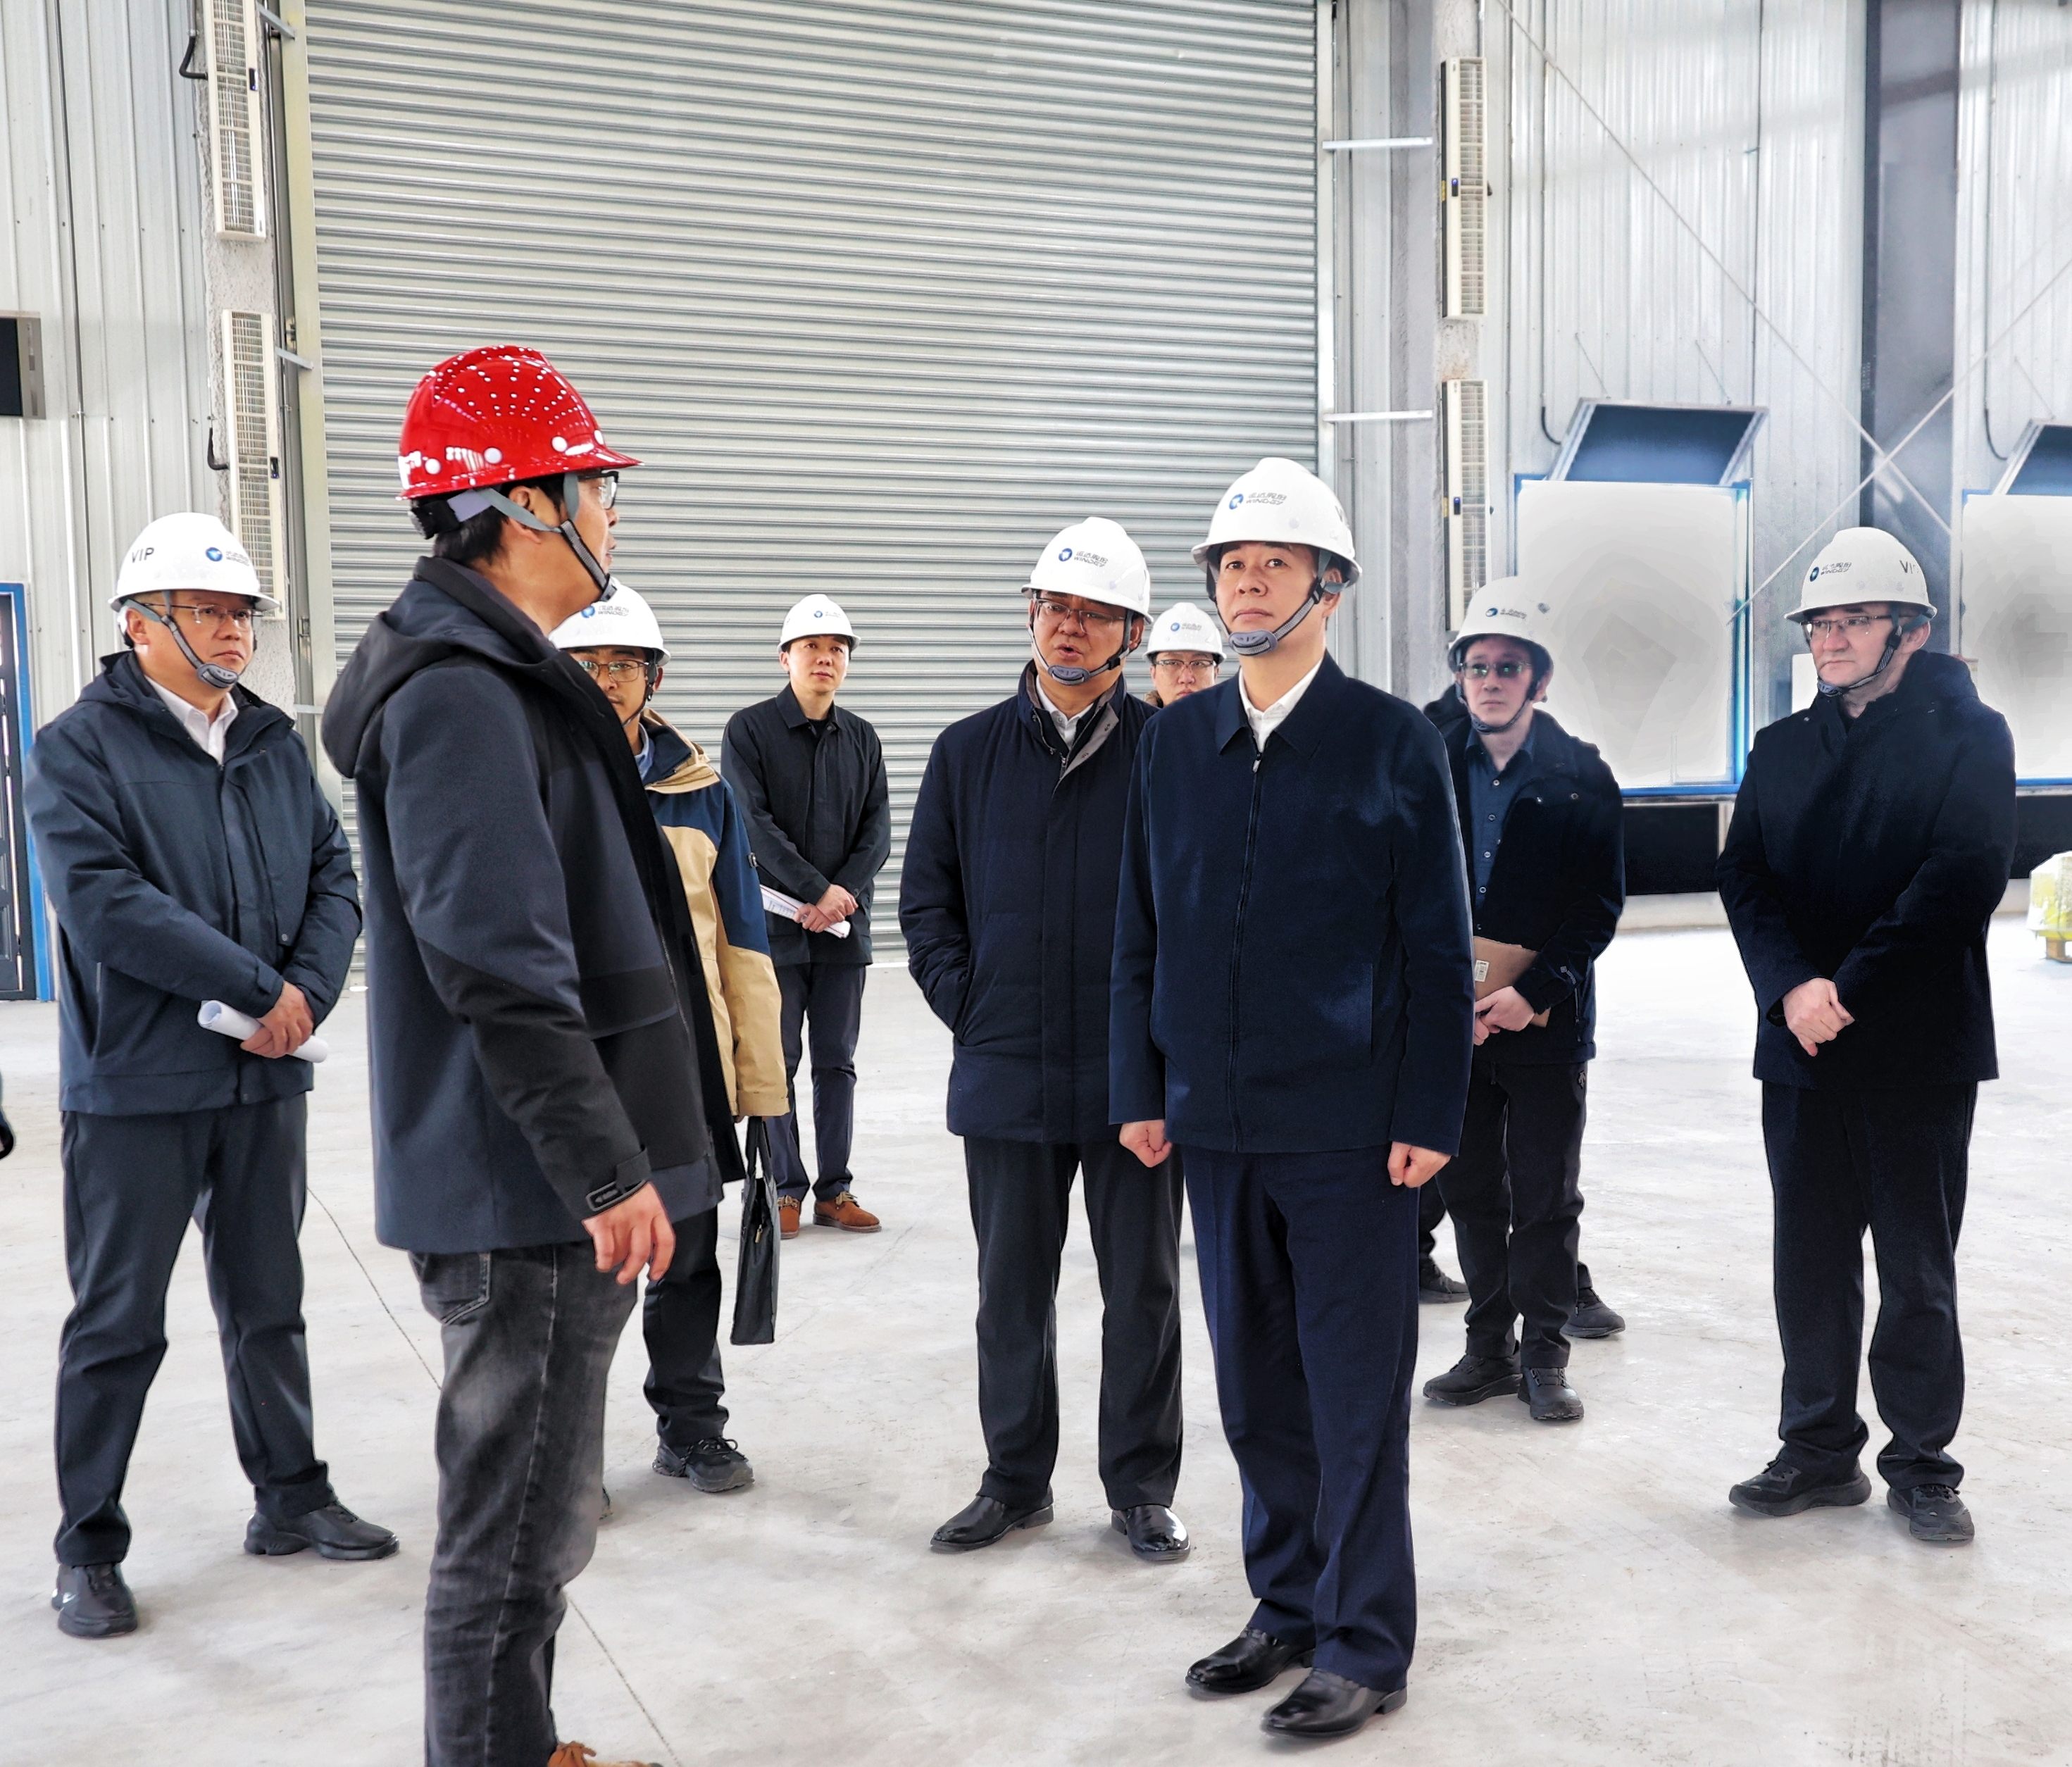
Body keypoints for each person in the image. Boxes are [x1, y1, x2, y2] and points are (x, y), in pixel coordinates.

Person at [323, 345, 723, 1767]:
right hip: (527, 1194)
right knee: (512, 1534)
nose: (611, 511)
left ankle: (520, 1737)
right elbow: (497, 965)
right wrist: (604, 1167)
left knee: (541, 1519)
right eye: (595, 486)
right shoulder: (458, 694)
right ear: (521, 504)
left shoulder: (496, 672)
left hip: (537, 1179)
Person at [1113, 458, 1475, 1740]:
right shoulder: (1175, 741)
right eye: (1230, 563)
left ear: (1329, 586)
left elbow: (1437, 945)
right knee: (1256, 1389)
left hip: (1350, 1134)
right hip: (1214, 1123)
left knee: (1352, 1392)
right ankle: (1288, 1602)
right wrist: (1142, 1082)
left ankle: (1366, 1638)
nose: (1247, 580)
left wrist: (1429, 1111)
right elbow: (1140, 928)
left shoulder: (1390, 740)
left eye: (1274, 562)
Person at [25, 512, 384, 1642]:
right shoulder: (77, 748)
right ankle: (88, 1548)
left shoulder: (272, 741)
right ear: (141, 623)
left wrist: (304, 996)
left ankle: (291, 1495)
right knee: (119, 1320)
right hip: (139, 1082)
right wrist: (256, 987)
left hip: (263, 1077)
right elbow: (105, 903)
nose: (234, 632)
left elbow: (334, 874)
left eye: (242, 613)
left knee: (269, 1301)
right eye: (209, 611)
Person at [1718, 527, 2015, 1547]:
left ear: (1910, 631)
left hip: (1913, 1048)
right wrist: (1789, 989)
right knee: (1806, 1257)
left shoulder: (1970, 735)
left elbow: (1962, 875)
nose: (1830, 639)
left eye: (1853, 620)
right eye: (1819, 624)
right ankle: (1816, 1447)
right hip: (1798, 1045)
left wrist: (1843, 990)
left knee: (1915, 1265)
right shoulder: (1779, 747)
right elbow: (1743, 877)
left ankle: (1921, 1463)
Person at [903, 517, 1188, 1564]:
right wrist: (972, 1005)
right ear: (1029, 614)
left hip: (1131, 1082)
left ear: (1132, 633)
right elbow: (926, 903)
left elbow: (1197, 910)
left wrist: (1163, 1049)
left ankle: (1141, 1488)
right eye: (1054, 607)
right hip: (1007, 1068)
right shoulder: (966, 751)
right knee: (1010, 1295)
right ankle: (1014, 1482)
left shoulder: (1170, 752)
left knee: (1142, 1292)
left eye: (1095, 614)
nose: (1069, 627)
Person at [549, 584, 788, 1497]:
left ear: (654, 676)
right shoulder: (539, 778)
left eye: (625, 663)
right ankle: (565, 1453)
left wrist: (760, 1085)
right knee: (580, 1271)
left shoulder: (700, 790)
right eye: (589, 663)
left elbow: (743, 944)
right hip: (580, 1069)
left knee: (688, 1256)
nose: (607, 679)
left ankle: (692, 1426)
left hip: (683, 1069)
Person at [1414, 587, 1624, 1424]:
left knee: (1544, 1195)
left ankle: (1544, 1353)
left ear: (1538, 679)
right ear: (1459, 677)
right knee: (1470, 1190)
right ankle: (1487, 1348)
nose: (1491, 680)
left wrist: (1529, 992)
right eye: (1477, 666)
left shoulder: (1582, 775)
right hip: (1451, 1025)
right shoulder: (1428, 763)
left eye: (1508, 666)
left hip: (1545, 1027)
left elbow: (1597, 908)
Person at [722, 594, 891, 1240]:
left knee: (837, 1061)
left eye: (837, 649)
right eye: (812, 647)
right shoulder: (749, 730)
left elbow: (877, 829)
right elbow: (752, 823)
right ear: (785, 657)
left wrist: (841, 893)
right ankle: (785, 1189)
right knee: (778, 1061)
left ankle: (835, 1190)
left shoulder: (862, 737)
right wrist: (817, 890)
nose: (826, 657)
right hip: (776, 928)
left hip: (843, 929)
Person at [1142, 600, 1223, 706]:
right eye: (1172, 663)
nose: (1186, 678)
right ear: (1154, 675)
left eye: (1198, 664)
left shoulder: (1236, 716)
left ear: (1215, 674)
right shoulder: (1132, 717)